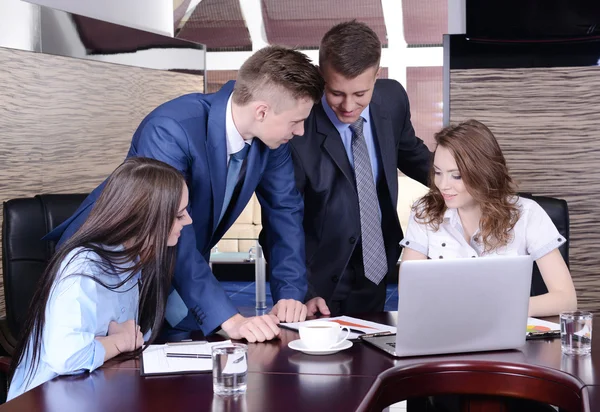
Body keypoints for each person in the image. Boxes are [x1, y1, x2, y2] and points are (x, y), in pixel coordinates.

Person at [46, 46, 326, 342]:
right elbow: (165, 224)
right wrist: (228, 319)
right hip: (113, 271)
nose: (300, 132)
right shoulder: (172, 129)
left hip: (179, 271)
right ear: (261, 111)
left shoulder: (271, 143)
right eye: (296, 121)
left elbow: (285, 212)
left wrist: (291, 296)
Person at [273, 21, 432, 315]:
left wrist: (468, 184)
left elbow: (413, 155)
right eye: (336, 93)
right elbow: (283, 221)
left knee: (371, 354)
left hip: (376, 259)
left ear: (376, 76)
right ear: (321, 76)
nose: (348, 106)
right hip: (315, 275)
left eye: (360, 94)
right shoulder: (295, 129)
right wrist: (300, 291)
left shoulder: (392, 99)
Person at [7, 157, 193, 400]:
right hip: (45, 399)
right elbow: (65, 355)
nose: (188, 220)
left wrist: (120, 339)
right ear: (147, 218)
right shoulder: (83, 266)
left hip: (95, 392)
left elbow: (131, 335)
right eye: (179, 215)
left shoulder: (132, 260)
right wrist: (119, 341)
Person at [400, 119, 577, 317]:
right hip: (445, 329)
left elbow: (566, 299)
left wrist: (492, 310)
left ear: (483, 173)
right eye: (438, 173)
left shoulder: (527, 214)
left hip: (507, 330)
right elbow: (410, 294)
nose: (443, 185)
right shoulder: (425, 212)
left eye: (456, 176)